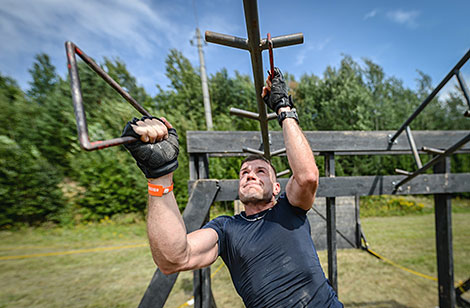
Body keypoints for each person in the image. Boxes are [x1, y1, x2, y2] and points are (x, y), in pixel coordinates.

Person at [122, 68, 343, 307]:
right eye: (244, 173)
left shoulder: (290, 208)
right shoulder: (226, 228)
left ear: (277, 187)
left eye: (261, 172)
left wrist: (284, 109)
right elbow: (173, 259)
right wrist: (159, 176)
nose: (250, 175)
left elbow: (308, 176)